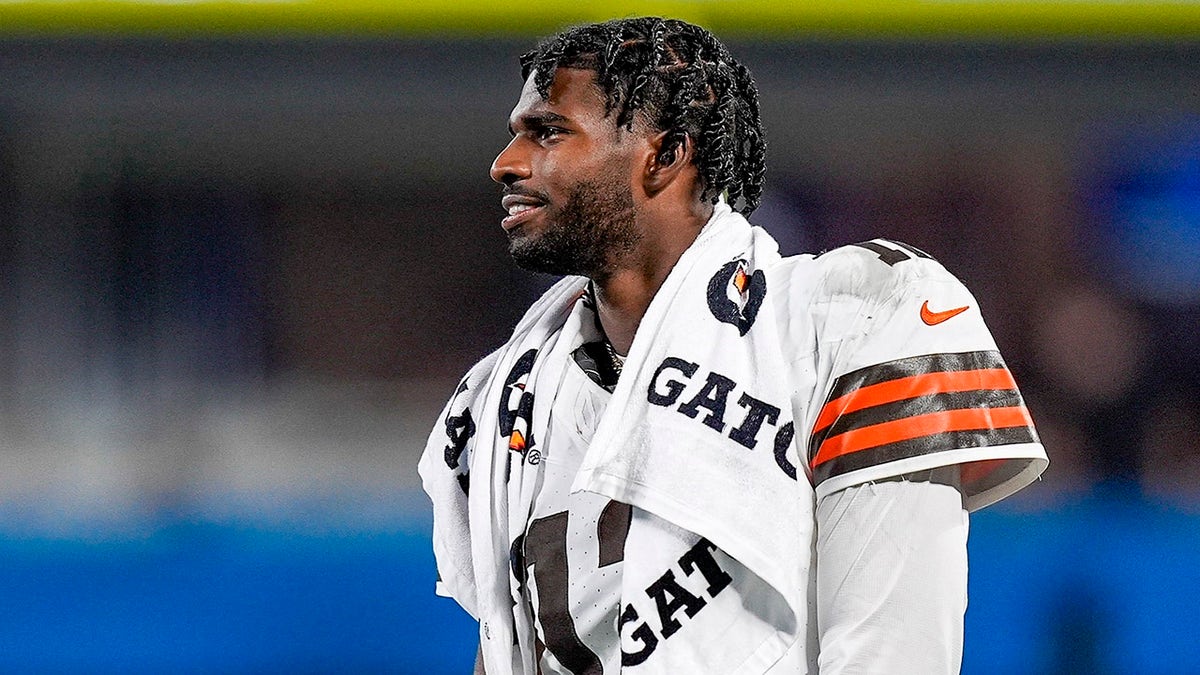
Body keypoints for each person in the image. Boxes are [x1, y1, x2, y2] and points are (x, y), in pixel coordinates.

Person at [418, 16, 1048, 675]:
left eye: (548, 132)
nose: (505, 164)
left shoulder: (850, 318)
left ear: (664, 154)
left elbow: (892, 656)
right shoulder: (509, 387)